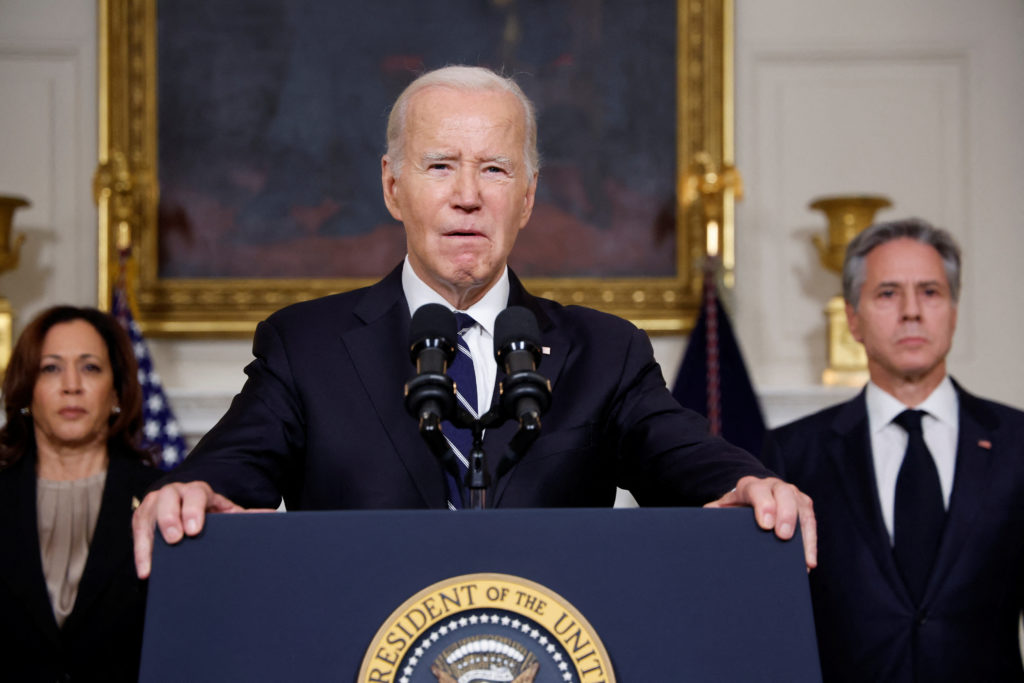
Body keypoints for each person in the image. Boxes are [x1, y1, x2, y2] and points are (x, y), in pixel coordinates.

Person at [132, 65, 816, 578]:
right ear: (392, 187)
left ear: (527, 197)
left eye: (494, 168)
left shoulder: (605, 353)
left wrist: (747, 482)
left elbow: (687, 458)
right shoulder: (306, 346)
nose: (467, 196)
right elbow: (228, 467)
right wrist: (192, 492)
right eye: (440, 166)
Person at [762, 218, 1024, 682]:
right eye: (887, 293)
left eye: (930, 292)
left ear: (954, 312)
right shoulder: (792, 455)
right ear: (853, 319)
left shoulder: (1016, 443)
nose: (911, 311)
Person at [0, 306, 163, 681]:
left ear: (117, 391)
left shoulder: (161, 499)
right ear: (27, 390)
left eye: (90, 367)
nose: (71, 384)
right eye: (51, 368)